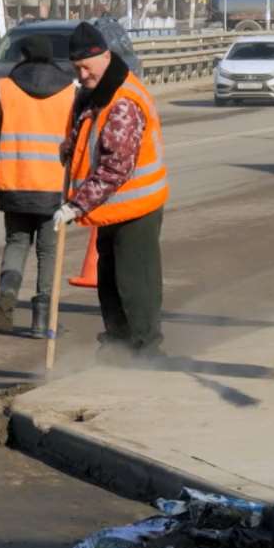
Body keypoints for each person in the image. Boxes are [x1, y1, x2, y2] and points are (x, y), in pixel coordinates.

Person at [55, 22, 168, 357]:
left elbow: (115, 167)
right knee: (109, 279)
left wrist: (76, 206)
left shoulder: (122, 102)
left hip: (137, 207)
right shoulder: (96, 93)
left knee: (136, 283)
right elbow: (87, 139)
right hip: (112, 208)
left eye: (86, 67)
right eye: (76, 69)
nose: (81, 75)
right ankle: (119, 344)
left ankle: (147, 352)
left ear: (104, 56)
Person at [0, 35, 76, 337]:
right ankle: (42, 320)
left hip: (15, 183)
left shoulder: (5, 88)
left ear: (22, 56)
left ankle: (7, 299)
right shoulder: (70, 92)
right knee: (48, 252)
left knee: (17, 243)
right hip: (54, 188)